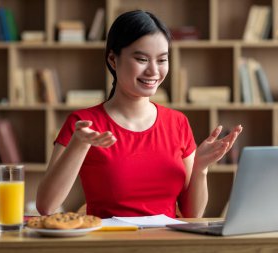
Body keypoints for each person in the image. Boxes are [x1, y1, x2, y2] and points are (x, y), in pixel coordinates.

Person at [36, 10, 242, 218]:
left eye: (162, 60)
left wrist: (200, 169)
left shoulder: (177, 122)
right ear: (113, 60)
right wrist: (78, 145)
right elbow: (46, 206)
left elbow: (192, 215)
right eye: (142, 59)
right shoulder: (83, 124)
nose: (153, 71)